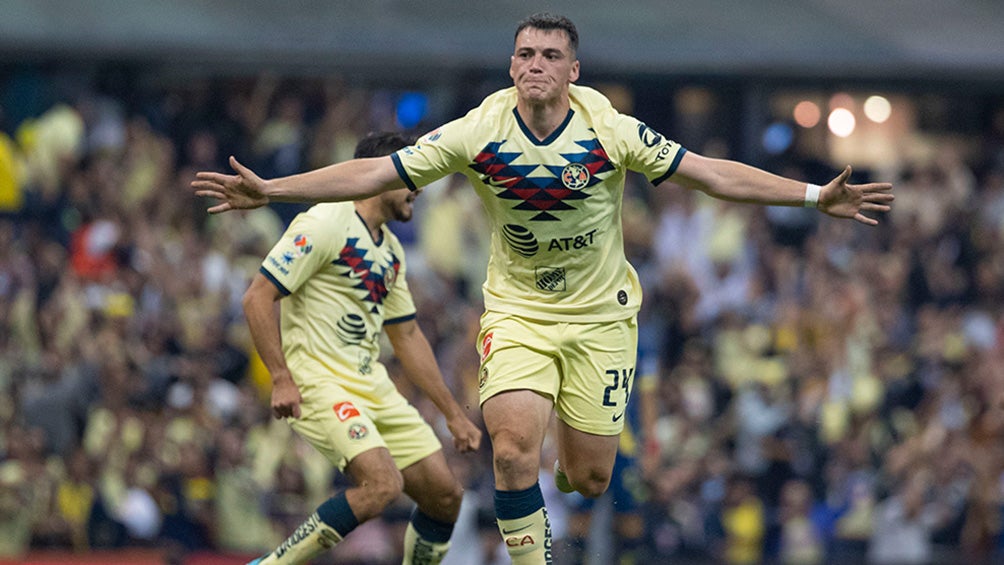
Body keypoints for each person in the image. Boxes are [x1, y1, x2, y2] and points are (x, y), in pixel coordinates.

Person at [193, 13, 893, 564]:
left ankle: (571, 463)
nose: (535, 65)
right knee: (511, 447)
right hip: (520, 312)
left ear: (574, 70)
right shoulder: (479, 130)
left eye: (550, 56)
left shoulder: (608, 129)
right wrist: (273, 190)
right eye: (525, 54)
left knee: (589, 477)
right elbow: (375, 174)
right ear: (511, 65)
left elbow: (711, 173)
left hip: (600, 318)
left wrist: (810, 196)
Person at [238, 131, 482, 565]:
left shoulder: (390, 250)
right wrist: (280, 375)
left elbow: (406, 336)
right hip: (319, 382)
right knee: (382, 486)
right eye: (412, 175)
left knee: (445, 496)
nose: (420, 187)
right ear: (380, 175)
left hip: (373, 385)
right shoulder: (326, 221)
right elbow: (258, 296)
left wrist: (451, 412)